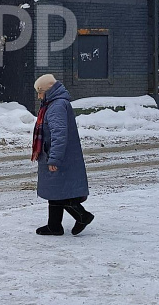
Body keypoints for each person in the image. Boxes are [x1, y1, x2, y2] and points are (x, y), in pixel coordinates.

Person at [31, 74, 94, 236]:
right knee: (56, 190)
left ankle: (82, 216)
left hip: (58, 156)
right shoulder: (54, 104)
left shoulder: (56, 106)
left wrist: (54, 158)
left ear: (49, 90)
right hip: (56, 154)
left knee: (61, 191)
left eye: (40, 92)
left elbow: (59, 134)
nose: (39, 96)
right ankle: (54, 226)